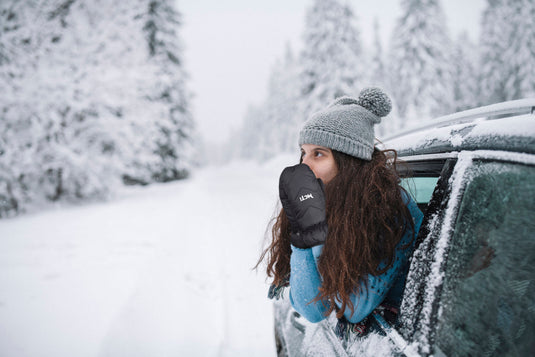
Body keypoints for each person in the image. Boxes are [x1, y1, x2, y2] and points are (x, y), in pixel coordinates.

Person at [258, 87, 424, 339]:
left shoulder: (389, 210)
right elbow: (313, 310)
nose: (304, 164)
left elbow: (353, 309)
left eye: (319, 154)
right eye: (304, 152)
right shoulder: (327, 201)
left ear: (349, 162)